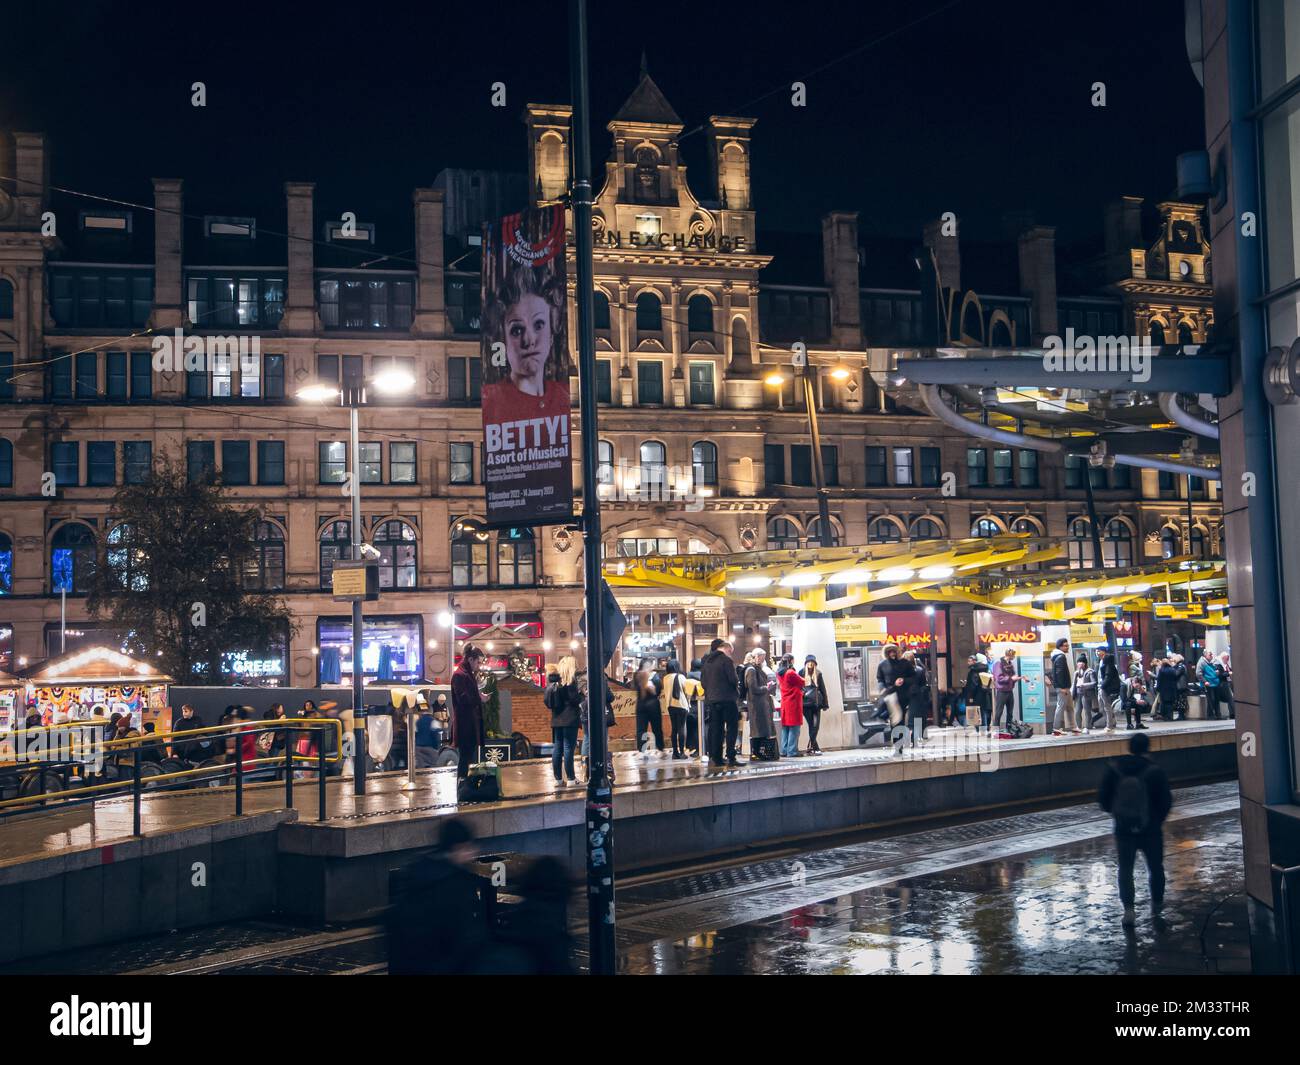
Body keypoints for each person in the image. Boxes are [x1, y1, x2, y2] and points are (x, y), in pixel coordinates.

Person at [387, 818, 487, 975]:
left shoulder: (416, 869)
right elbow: (467, 936)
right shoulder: (458, 882)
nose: (473, 853)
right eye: (469, 848)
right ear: (459, 847)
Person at [1098, 731, 1173, 928]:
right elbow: (1166, 801)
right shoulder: (1155, 770)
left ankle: (1129, 911)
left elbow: (1103, 801)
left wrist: (1119, 814)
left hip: (1123, 829)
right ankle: (1157, 906)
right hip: (1151, 830)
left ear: (1129, 747)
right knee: (1156, 868)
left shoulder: (1114, 769)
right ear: (1148, 748)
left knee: (1125, 869)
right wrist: (1156, 820)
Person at [701, 638, 742, 767]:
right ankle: (731, 756)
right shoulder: (726, 660)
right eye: (731, 651)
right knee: (731, 728)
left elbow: (703, 682)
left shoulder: (707, 662)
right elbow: (733, 679)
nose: (730, 654)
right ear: (727, 649)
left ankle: (716, 758)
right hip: (727, 699)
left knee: (716, 729)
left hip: (712, 700)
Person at [544, 655, 582, 785]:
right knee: (568, 748)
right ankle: (571, 778)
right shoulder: (569, 681)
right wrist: (581, 695)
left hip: (556, 719)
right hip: (570, 719)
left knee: (557, 748)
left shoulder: (554, 682)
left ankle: (558, 779)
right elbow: (574, 699)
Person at [450, 644, 487, 778]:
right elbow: (463, 699)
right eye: (478, 662)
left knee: (468, 758)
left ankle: (466, 787)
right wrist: (479, 698)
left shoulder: (467, 674)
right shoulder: (460, 675)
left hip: (469, 724)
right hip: (465, 725)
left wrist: (479, 696)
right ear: (471, 659)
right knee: (465, 759)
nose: (479, 665)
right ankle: (462, 787)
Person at [632, 669, 665, 758]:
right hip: (653, 706)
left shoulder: (637, 676)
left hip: (640, 705)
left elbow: (633, 687)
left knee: (641, 729)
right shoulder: (655, 678)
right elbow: (658, 691)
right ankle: (660, 748)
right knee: (657, 728)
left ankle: (642, 750)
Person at [777, 654, 805, 758]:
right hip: (793, 703)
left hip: (785, 702)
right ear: (791, 661)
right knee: (794, 728)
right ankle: (792, 751)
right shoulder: (790, 673)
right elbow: (802, 681)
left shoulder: (780, 673)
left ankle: (784, 750)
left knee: (785, 728)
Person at [1049, 638, 1079, 736]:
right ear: (1060, 647)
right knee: (1061, 707)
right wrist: (1062, 688)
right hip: (1063, 688)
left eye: (1067, 645)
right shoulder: (1060, 657)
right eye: (1065, 646)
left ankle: (1073, 726)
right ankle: (1056, 728)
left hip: (1064, 687)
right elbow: (1060, 673)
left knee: (1070, 707)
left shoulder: (1057, 657)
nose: (1067, 647)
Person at [800, 655, 828, 754]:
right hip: (806, 705)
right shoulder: (801, 673)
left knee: (815, 726)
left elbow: (823, 689)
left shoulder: (818, 674)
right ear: (806, 663)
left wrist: (825, 704)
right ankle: (814, 747)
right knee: (812, 725)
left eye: (812, 663)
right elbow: (798, 687)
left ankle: (812, 747)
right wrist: (802, 694)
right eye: (808, 662)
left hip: (816, 705)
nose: (810, 664)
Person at [903, 650, 930, 745]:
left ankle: (910, 737)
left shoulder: (901, 671)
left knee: (909, 720)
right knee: (916, 718)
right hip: (917, 698)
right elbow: (924, 684)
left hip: (905, 698)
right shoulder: (919, 670)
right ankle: (916, 737)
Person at [961, 652, 991, 732]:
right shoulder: (985, 669)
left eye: (970, 661)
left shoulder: (973, 671)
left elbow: (973, 685)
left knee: (976, 712)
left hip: (976, 695)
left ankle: (978, 729)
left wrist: (970, 696)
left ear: (976, 661)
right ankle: (984, 729)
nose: (968, 663)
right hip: (984, 693)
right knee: (983, 711)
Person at [1073, 653, 1102, 733]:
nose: (1079, 664)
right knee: (1077, 711)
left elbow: (1094, 683)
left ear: (1085, 663)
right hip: (1078, 694)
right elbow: (1074, 684)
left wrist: (1084, 685)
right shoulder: (1076, 672)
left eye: (1081, 662)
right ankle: (1078, 727)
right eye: (1078, 662)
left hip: (1086, 694)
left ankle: (1088, 726)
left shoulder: (1090, 672)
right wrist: (1072, 694)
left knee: (1087, 711)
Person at [992, 648, 1019, 732]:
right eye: (1013, 655)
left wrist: (1017, 678)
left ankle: (1009, 729)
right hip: (1002, 691)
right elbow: (999, 678)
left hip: (1009, 690)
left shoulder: (1010, 664)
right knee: (999, 712)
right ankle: (995, 730)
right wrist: (1011, 678)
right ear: (1009, 655)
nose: (1014, 657)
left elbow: (1012, 676)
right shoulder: (999, 664)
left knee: (1010, 712)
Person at [1198, 648, 1223, 719]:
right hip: (1208, 684)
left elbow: (1217, 670)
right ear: (1205, 655)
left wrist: (1218, 672)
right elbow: (1198, 673)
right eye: (1210, 654)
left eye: (1212, 654)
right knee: (1211, 699)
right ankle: (1210, 715)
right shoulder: (1201, 662)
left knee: (1216, 699)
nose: (1212, 655)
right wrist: (1205, 681)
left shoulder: (1212, 662)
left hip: (1215, 683)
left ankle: (1218, 715)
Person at [1155, 657, 1180, 722]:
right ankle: (1170, 716)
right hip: (1171, 689)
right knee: (1170, 703)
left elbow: (1159, 680)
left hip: (1163, 689)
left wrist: (1158, 688)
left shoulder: (1162, 670)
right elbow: (1175, 678)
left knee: (1164, 703)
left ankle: (1165, 717)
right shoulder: (1172, 669)